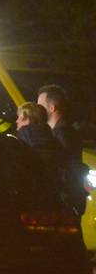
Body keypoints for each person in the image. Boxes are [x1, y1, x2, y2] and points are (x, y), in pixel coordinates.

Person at [37, 84, 89, 213]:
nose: (37, 111)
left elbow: (64, 168)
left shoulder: (63, 134)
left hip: (64, 201)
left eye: (40, 106)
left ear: (52, 108)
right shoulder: (61, 131)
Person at [15, 102, 67, 181]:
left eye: (20, 118)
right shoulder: (55, 141)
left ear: (29, 119)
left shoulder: (24, 138)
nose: (17, 121)